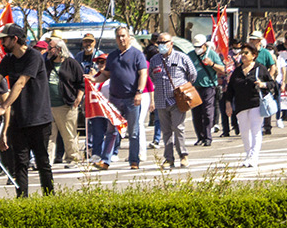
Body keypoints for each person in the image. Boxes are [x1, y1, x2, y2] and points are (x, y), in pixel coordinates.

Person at [0, 23, 54, 196]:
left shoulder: (33, 56)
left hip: (38, 119)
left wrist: (4, 106)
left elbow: (20, 83)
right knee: (20, 162)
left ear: (14, 39)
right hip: (18, 119)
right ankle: (22, 200)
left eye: (4, 40)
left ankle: (50, 198)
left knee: (43, 161)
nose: (1, 44)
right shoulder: (8, 60)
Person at [95, 25, 147, 170]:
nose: (121, 39)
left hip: (132, 98)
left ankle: (134, 160)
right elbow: (106, 74)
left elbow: (143, 73)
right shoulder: (112, 56)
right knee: (111, 131)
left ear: (129, 37)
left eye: (124, 35)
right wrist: (93, 79)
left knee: (134, 132)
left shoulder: (137, 54)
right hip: (115, 99)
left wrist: (139, 92)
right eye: (118, 36)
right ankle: (105, 160)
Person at [148, 32, 198, 170]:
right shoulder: (154, 60)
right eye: (159, 43)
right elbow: (151, 76)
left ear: (171, 43)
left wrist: (183, 87)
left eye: (164, 42)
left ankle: (183, 155)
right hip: (161, 100)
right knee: (166, 131)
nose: (161, 45)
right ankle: (168, 158)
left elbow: (192, 74)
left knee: (178, 128)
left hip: (178, 100)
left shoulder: (182, 57)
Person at [221, 43, 273, 167]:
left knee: (255, 131)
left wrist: (263, 84)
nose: (243, 55)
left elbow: (272, 83)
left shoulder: (260, 68)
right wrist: (228, 104)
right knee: (244, 132)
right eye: (242, 53)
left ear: (254, 55)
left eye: (246, 53)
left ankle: (254, 157)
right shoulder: (237, 71)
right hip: (240, 105)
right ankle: (248, 155)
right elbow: (230, 90)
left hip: (255, 103)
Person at [46, 36, 84, 165]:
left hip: (66, 105)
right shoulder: (47, 63)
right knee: (49, 135)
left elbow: (81, 83)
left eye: (50, 48)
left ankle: (73, 158)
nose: (48, 50)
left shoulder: (71, 64)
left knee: (68, 134)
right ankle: (47, 160)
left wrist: (78, 98)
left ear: (59, 49)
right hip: (48, 106)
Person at [189, 34, 223, 146]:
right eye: (195, 46)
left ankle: (208, 137)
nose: (197, 48)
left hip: (208, 87)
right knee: (196, 113)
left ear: (204, 45)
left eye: (199, 46)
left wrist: (211, 64)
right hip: (194, 88)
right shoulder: (190, 55)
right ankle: (200, 137)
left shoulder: (211, 54)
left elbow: (222, 69)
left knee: (208, 112)